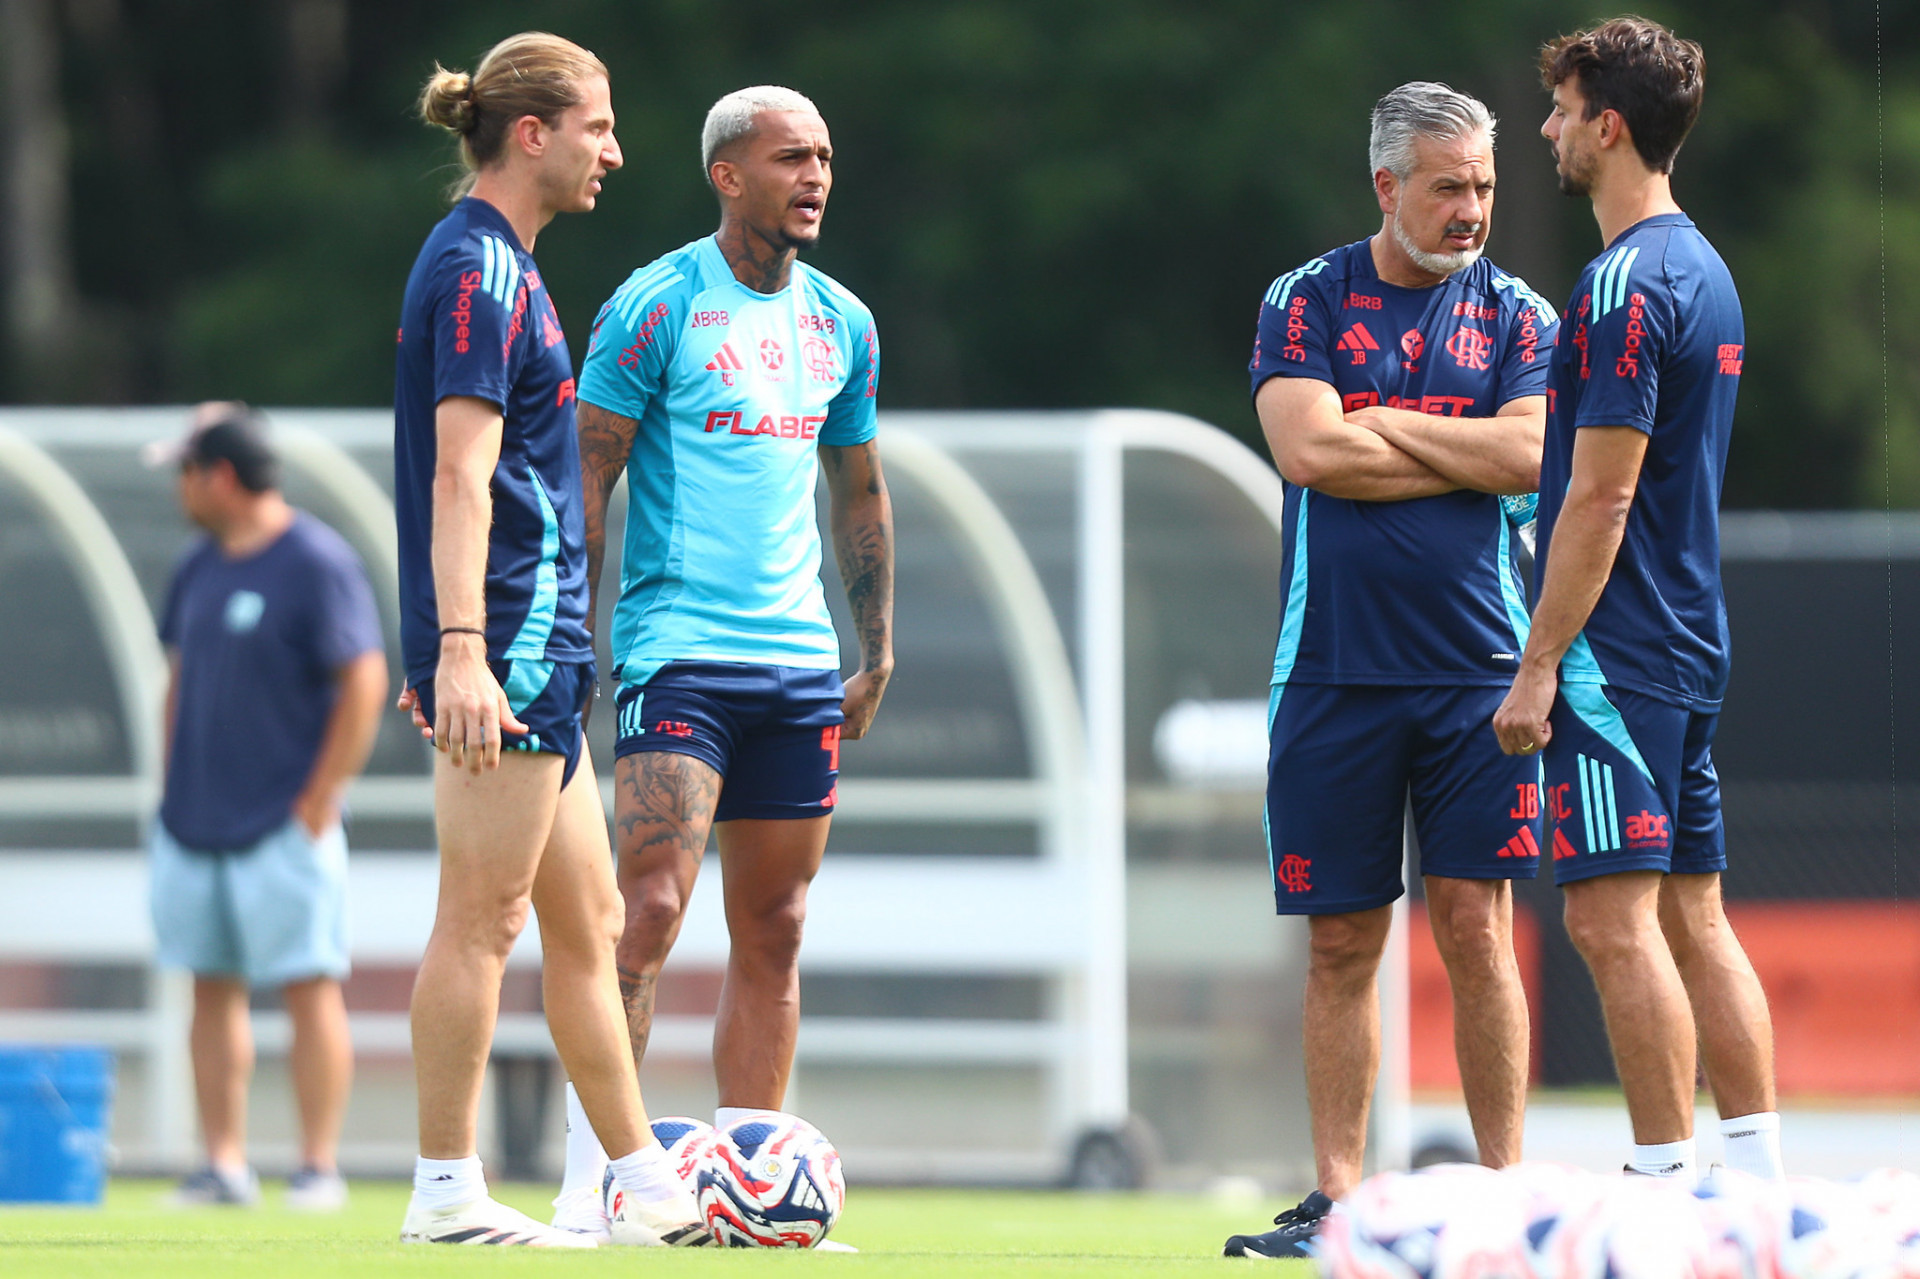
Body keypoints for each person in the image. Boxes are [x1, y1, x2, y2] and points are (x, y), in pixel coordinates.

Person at [548, 84, 893, 1239]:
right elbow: (585, 483)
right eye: (792, 156)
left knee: (778, 927)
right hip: (676, 655)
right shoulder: (654, 307)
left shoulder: (841, 320)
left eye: (828, 157)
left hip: (797, 664)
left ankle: (752, 1184)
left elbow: (858, 484)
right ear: (727, 174)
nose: (817, 176)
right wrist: (568, 639)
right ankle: (599, 1176)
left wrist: (875, 642)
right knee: (647, 910)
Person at [1224, 83, 1561, 1259]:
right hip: (1329, 671)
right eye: (1447, 187)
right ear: (1387, 186)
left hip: (1480, 670)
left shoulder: (1522, 314)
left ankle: (1504, 1198)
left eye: (1483, 186)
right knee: (1341, 942)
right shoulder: (1306, 298)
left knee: (1476, 924)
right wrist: (1454, 445)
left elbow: (1529, 454)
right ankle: (1337, 1200)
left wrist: (1390, 422)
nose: (1471, 209)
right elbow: (1310, 450)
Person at [393, 32, 709, 1247]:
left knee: (593, 929)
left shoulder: (508, 268)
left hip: (545, 646)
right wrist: (463, 645)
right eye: (599, 128)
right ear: (532, 134)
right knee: (484, 919)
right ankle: (444, 1194)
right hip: (510, 642)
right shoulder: (478, 270)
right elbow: (462, 475)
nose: (615, 153)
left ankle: (643, 1186)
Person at [1492, 16, 1782, 1184]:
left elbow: (1600, 501)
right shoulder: (1703, 266)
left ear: (1608, 127)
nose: (1550, 131)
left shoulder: (1621, 286)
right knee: (1694, 913)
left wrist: (1539, 660)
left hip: (1620, 648)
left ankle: (1664, 1186)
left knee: (1609, 921)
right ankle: (1755, 1181)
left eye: (1561, 111)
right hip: (1691, 637)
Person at [146, 403, 386, 1211]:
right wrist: (169, 781)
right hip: (194, 821)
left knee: (307, 984)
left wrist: (320, 799)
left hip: (285, 823)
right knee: (207, 986)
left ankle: (317, 1166)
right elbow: (177, 678)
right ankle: (224, 1163)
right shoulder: (196, 565)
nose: (178, 489)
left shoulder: (314, 560)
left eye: (183, 471)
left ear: (217, 476)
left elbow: (364, 679)